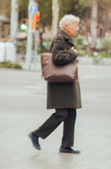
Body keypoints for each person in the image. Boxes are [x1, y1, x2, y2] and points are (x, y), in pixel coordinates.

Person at [28, 14, 82, 154]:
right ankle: (36, 134)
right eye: (75, 25)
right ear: (66, 26)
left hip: (66, 83)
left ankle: (66, 146)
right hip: (60, 84)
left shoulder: (65, 38)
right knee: (62, 113)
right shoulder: (60, 38)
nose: (77, 28)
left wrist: (71, 53)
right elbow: (57, 58)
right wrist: (72, 53)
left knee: (71, 113)